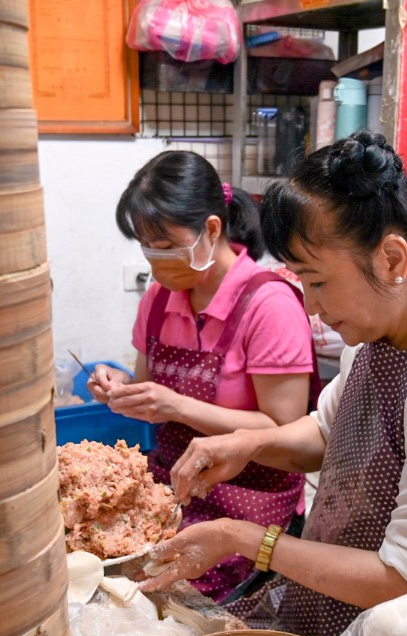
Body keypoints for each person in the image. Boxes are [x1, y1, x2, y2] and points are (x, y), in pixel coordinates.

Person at [135, 131, 407, 636]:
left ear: (392, 260)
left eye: (318, 283)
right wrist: (246, 444)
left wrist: (245, 539)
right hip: (349, 604)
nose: (311, 308)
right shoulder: (382, 330)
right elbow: (328, 430)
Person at [87, 150, 319, 602]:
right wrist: (116, 387)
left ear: (211, 230)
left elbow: (286, 432)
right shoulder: (159, 298)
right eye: (145, 245)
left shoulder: (269, 305)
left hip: (250, 504)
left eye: (166, 244)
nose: (155, 258)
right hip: (174, 490)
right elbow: (144, 389)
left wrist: (175, 405)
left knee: (165, 600)